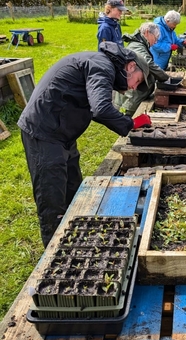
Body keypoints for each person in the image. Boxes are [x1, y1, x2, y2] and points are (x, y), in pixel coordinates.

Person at [18, 41, 153, 248]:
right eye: (137, 81)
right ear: (130, 66)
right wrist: (130, 124)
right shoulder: (102, 66)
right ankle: (55, 254)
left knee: (73, 188)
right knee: (52, 197)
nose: (134, 87)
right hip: (44, 132)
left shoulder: (102, 65)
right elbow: (100, 109)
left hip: (62, 133)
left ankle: (74, 238)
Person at [118, 22, 170, 116]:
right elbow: (149, 63)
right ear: (147, 33)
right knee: (127, 121)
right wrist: (166, 78)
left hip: (134, 93)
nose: (156, 42)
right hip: (131, 96)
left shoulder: (139, 44)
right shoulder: (137, 46)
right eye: (156, 37)